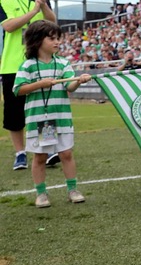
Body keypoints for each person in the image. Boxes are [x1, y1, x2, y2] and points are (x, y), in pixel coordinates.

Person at [14, 21, 91, 207]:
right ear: (37, 40)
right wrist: (41, 83)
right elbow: (18, 89)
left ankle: (72, 189)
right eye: (52, 38)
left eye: (58, 38)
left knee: (66, 154)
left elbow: (69, 86)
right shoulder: (28, 66)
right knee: (40, 156)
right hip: (41, 119)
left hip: (61, 118)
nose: (57, 42)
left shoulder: (63, 63)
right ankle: (41, 194)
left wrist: (79, 81)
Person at [1, 0, 57, 171]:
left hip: (40, 62)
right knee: (14, 113)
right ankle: (20, 153)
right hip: (13, 65)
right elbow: (9, 26)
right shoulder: (5, 0)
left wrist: (42, 6)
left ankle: (48, 149)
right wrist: (34, 12)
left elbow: (52, 22)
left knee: (44, 107)